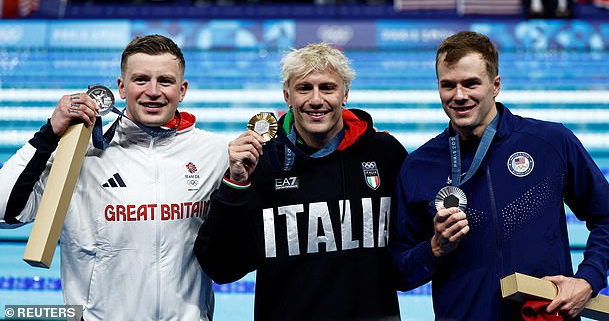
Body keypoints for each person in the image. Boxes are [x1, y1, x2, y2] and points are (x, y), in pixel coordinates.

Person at [389, 31, 609, 320]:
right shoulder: (419, 166)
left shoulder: (550, 142)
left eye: (471, 84)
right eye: (448, 85)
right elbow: (399, 273)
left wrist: (588, 279)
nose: (459, 96)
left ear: (495, 85)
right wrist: (434, 248)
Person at [0, 34, 229, 320]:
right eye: (141, 79)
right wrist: (49, 134)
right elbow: (4, 214)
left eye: (165, 81)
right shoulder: (79, 155)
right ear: (121, 87)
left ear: (182, 90)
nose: (153, 91)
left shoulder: (215, 153)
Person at [194, 43, 407, 320]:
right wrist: (235, 186)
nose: (316, 100)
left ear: (345, 94)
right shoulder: (261, 163)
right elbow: (222, 268)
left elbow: (414, 240)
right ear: (287, 96)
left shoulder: (384, 153)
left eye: (328, 88)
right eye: (304, 88)